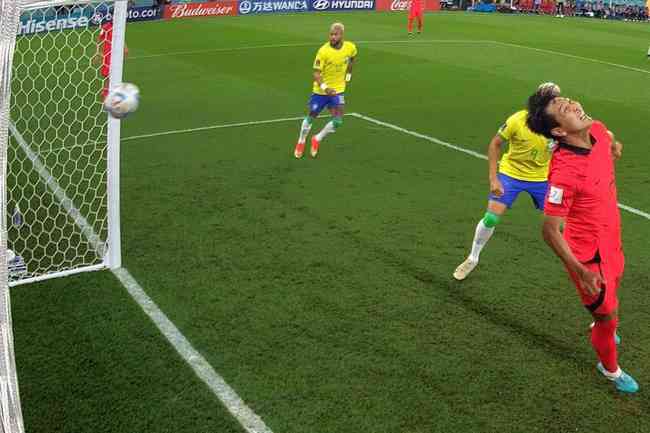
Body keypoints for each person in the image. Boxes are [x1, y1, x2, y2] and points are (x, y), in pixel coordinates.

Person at [526, 89, 638, 393]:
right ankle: (610, 369)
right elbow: (550, 230)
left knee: (614, 294)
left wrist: (614, 145)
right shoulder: (564, 173)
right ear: (560, 131)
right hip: (590, 257)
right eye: (565, 108)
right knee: (607, 316)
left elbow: (607, 134)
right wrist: (579, 270)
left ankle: (602, 325)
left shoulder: (597, 130)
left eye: (569, 101)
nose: (574, 104)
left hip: (612, 238)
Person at [453, 83, 559, 281]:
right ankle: (472, 258)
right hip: (511, 174)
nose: (556, 103)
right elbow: (495, 144)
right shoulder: (518, 120)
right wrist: (494, 179)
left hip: (542, 178)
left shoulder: (559, 124)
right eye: (553, 100)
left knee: (560, 224)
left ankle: (582, 264)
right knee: (491, 218)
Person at [294, 23, 357, 159]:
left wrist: (348, 76)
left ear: (342, 35)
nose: (332, 37)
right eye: (331, 34)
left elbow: (352, 59)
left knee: (338, 120)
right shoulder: (323, 51)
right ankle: (301, 141)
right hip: (321, 91)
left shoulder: (350, 47)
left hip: (338, 90)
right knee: (312, 116)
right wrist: (325, 88)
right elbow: (316, 74)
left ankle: (317, 138)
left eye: (336, 34)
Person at [97, 20, 129, 100]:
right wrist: (98, 52)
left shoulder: (119, 26)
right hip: (108, 53)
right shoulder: (105, 27)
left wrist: (125, 47)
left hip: (116, 52)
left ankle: (107, 90)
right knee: (107, 73)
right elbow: (99, 39)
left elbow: (121, 37)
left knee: (115, 72)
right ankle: (106, 91)